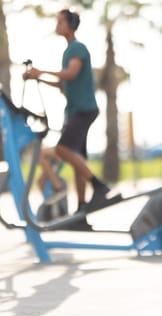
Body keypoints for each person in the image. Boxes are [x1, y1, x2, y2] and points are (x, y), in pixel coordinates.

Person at [23, 8, 112, 215]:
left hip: (83, 110)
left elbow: (71, 74)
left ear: (70, 25)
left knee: (63, 150)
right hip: (76, 111)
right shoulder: (68, 51)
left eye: (60, 22)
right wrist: (37, 77)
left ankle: (99, 186)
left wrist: (41, 71)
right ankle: (81, 210)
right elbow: (63, 85)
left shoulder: (77, 48)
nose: (57, 25)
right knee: (76, 159)